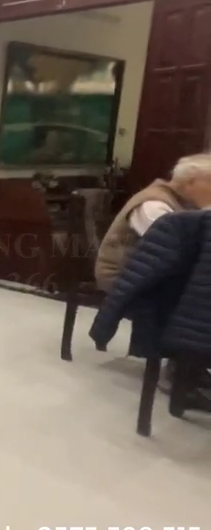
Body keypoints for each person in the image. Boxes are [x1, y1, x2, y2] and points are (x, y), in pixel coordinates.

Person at [92, 153, 211, 401]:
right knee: (193, 302)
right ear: (191, 182)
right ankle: (178, 372)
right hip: (124, 277)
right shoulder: (155, 204)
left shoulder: (187, 205)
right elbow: (172, 255)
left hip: (155, 274)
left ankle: (192, 365)